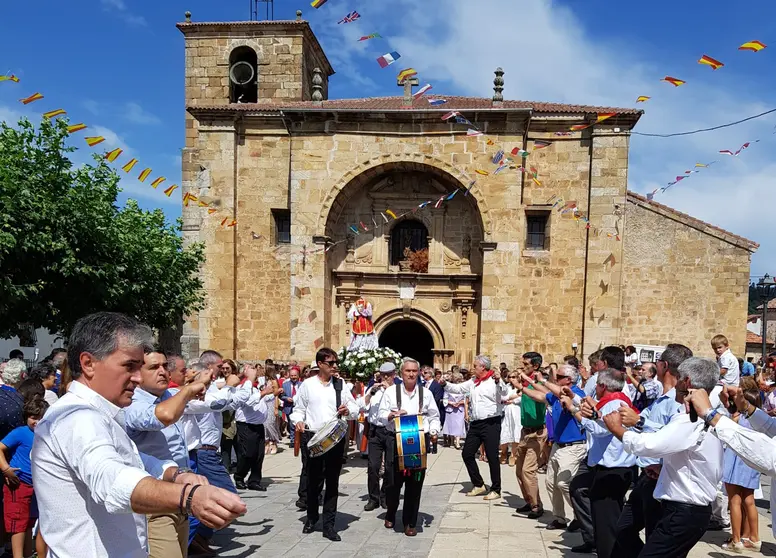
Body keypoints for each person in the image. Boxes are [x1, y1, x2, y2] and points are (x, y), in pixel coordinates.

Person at [31, 312, 247, 557]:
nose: (137, 377)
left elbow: (127, 459)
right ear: (88, 363)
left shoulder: (103, 413)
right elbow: (111, 480)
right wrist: (188, 497)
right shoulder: (77, 417)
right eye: (129, 366)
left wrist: (171, 472)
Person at [604, 357, 724, 557]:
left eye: (678, 379)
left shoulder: (690, 420)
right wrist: (665, 468)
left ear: (686, 382)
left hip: (685, 512)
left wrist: (617, 429)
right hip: (685, 509)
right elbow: (694, 460)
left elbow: (649, 445)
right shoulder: (710, 418)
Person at [124, 348, 217, 558]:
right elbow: (163, 416)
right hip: (155, 501)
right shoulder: (133, 403)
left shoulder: (170, 394)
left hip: (179, 496)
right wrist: (188, 391)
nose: (163, 371)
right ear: (138, 373)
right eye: (154, 367)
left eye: (165, 366)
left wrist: (203, 383)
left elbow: (203, 395)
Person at [610, 343, 692, 556]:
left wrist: (638, 422)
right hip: (647, 474)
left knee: (654, 536)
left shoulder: (679, 401)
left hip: (661, 477)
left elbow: (673, 436)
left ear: (664, 365)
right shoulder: (662, 398)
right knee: (624, 529)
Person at [290, 348, 359, 542]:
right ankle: (311, 518)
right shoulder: (307, 385)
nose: (335, 366)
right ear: (320, 364)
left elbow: (355, 408)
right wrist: (298, 421)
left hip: (334, 440)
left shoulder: (340, 385)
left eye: (336, 362)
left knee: (332, 482)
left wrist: (347, 410)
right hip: (312, 438)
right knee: (313, 482)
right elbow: (298, 410)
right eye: (331, 363)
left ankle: (329, 524)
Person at [568, 366, 637, 558]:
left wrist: (576, 413)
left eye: (597, 384)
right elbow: (597, 414)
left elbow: (600, 429)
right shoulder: (615, 401)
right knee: (605, 516)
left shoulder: (612, 404)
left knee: (607, 521)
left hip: (612, 468)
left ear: (603, 385)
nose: (595, 388)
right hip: (615, 467)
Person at [378, 358, 441, 536]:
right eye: (408, 371)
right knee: (392, 482)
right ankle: (391, 511)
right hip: (395, 441)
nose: (411, 374)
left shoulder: (426, 393)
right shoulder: (391, 392)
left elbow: (434, 416)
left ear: (419, 373)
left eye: (414, 371)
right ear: (401, 373)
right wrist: (391, 415)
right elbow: (380, 415)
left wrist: (434, 430)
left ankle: (410, 522)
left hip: (419, 441)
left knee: (415, 482)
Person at [520, 364, 586, 530]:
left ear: (569, 380)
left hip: (573, 446)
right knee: (551, 483)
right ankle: (559, 518)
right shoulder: (556, 397)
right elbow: (540, 396)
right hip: (558, 445)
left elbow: (557, 391)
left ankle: (582, 514)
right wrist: (522, 386)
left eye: (559, 377)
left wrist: (543, 380)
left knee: (564, 483)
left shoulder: (576, 393)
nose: (556, 380)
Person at [439, 355, 507, 501]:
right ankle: (478, 484)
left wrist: (499, 379)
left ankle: (496, 488)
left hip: (491, 422)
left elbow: (504, 392)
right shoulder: (473, 381)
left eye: (475, 366)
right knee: (467, 454)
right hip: (476, 423)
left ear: (483, 367)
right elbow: (458, 389)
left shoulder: (493, 381)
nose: (473, 368)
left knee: (492, 456)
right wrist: (444, 384)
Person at [0, 397, 48, 558]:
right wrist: (6, 469)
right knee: (17, 523)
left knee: (29, 522)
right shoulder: (20, 433)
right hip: (18, 484)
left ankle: (27, 554)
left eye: (41, 417)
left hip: (37, 487)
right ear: (26, 417)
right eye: (33, 418)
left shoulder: (47, 434)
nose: (37, 422)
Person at [720, 376, 761, 552]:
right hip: (752, 459)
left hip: (736, 458)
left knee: (734, 501)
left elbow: (726, 427)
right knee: (749, 501)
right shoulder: (758, 414)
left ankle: (735, 540)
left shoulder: (739, 418)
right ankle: (754, 538)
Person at [233, 370, 280, 491]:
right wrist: (264, 392)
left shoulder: (255, 389)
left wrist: (273, 393)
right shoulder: (241, 388)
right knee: (247, 454)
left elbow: (263, 399)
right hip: (246, 426)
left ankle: (254, 480)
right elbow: (248, 402)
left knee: (258, 455)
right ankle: (239, 476)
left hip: (258, 425)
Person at [514, 352, 547, 517]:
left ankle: (536, 506)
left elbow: (541, 397)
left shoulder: (538, 383)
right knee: (519, 470)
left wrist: (523, 385)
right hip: (525, 431)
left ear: (535, 366)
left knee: (528, 470)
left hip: (537, 432)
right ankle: (529, 500)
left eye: (526, 364)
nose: (523, 367)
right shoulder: (524, 381)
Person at [362, 362, 396, 511]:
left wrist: (389, 390)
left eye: (388, 375)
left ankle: (385, 496)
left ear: (394, 375)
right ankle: (373, 498)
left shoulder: (397, 390)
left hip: (389, 431)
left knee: (389, 466)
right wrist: (370, 393)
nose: (385, 378)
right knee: (373, 466)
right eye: (383, 375)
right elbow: (363, 406)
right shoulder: (374, 388)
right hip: (375, 430)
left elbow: (399, 406)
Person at [499, 370, 522, 465]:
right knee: (505, 431)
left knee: (516, 431)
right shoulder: (507, 387)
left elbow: (522, 398)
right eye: (510, 377)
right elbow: (503, 397)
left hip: (517, 411)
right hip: (507, 410)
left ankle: (513, 454)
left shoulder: (521, 387)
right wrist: (515, 396)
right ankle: (504, 453)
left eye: (513, 377)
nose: (511, 379)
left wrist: (513, 399)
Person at [441, 372, 467, 450]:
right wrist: (451, 403)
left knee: (459, 425)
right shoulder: (448, 387)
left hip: (460, 409)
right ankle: (452, 440)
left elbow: (467, 398)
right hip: (450, 409)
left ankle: (458, 442)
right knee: (451, 425)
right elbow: (444, 399)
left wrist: (460, 402)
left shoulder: (464, 388)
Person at [282, 366, 301, 448]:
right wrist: (286, 398)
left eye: (295, 375)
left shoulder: (302, 385)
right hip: (289, 407)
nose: (293, 377)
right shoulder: (285, 385)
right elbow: (281, 396)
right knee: (291, 424)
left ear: (298, 375)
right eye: (292, 375)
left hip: (299, 407)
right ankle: (293, 440)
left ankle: (299, 440)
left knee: (298, 424)